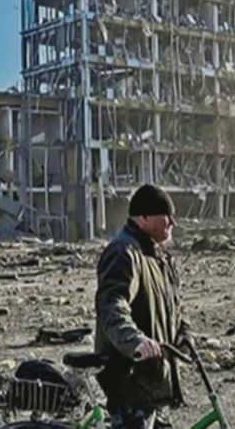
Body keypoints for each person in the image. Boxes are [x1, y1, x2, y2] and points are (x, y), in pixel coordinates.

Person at [95, 184, 194, 429]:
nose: (172, 222)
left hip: (153, 380)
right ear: (144, 217)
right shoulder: (124, 253)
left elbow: (175, 307)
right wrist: (135, 341)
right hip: (130, 379)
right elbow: (112, 305)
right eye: (166, 216)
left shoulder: (161, 259)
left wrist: (185, 334)